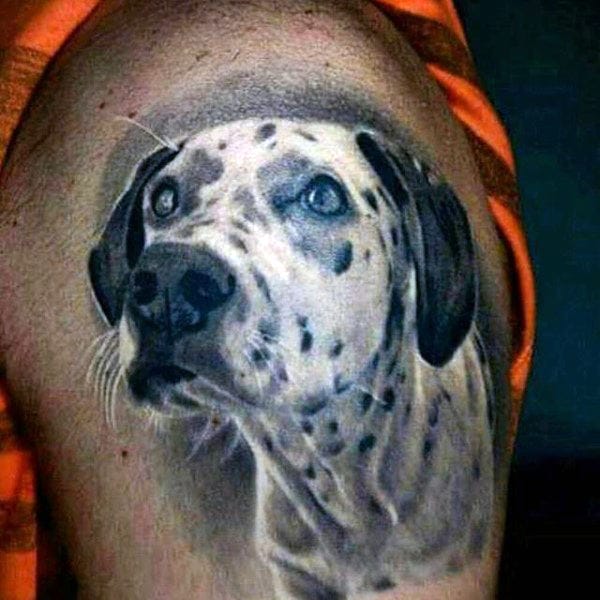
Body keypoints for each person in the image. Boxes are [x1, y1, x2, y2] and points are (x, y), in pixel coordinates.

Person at [0, 1, 535, 598]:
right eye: (169, 203)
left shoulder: (257, 34)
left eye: (317, 199)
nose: (173, 271)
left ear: (423, 259)